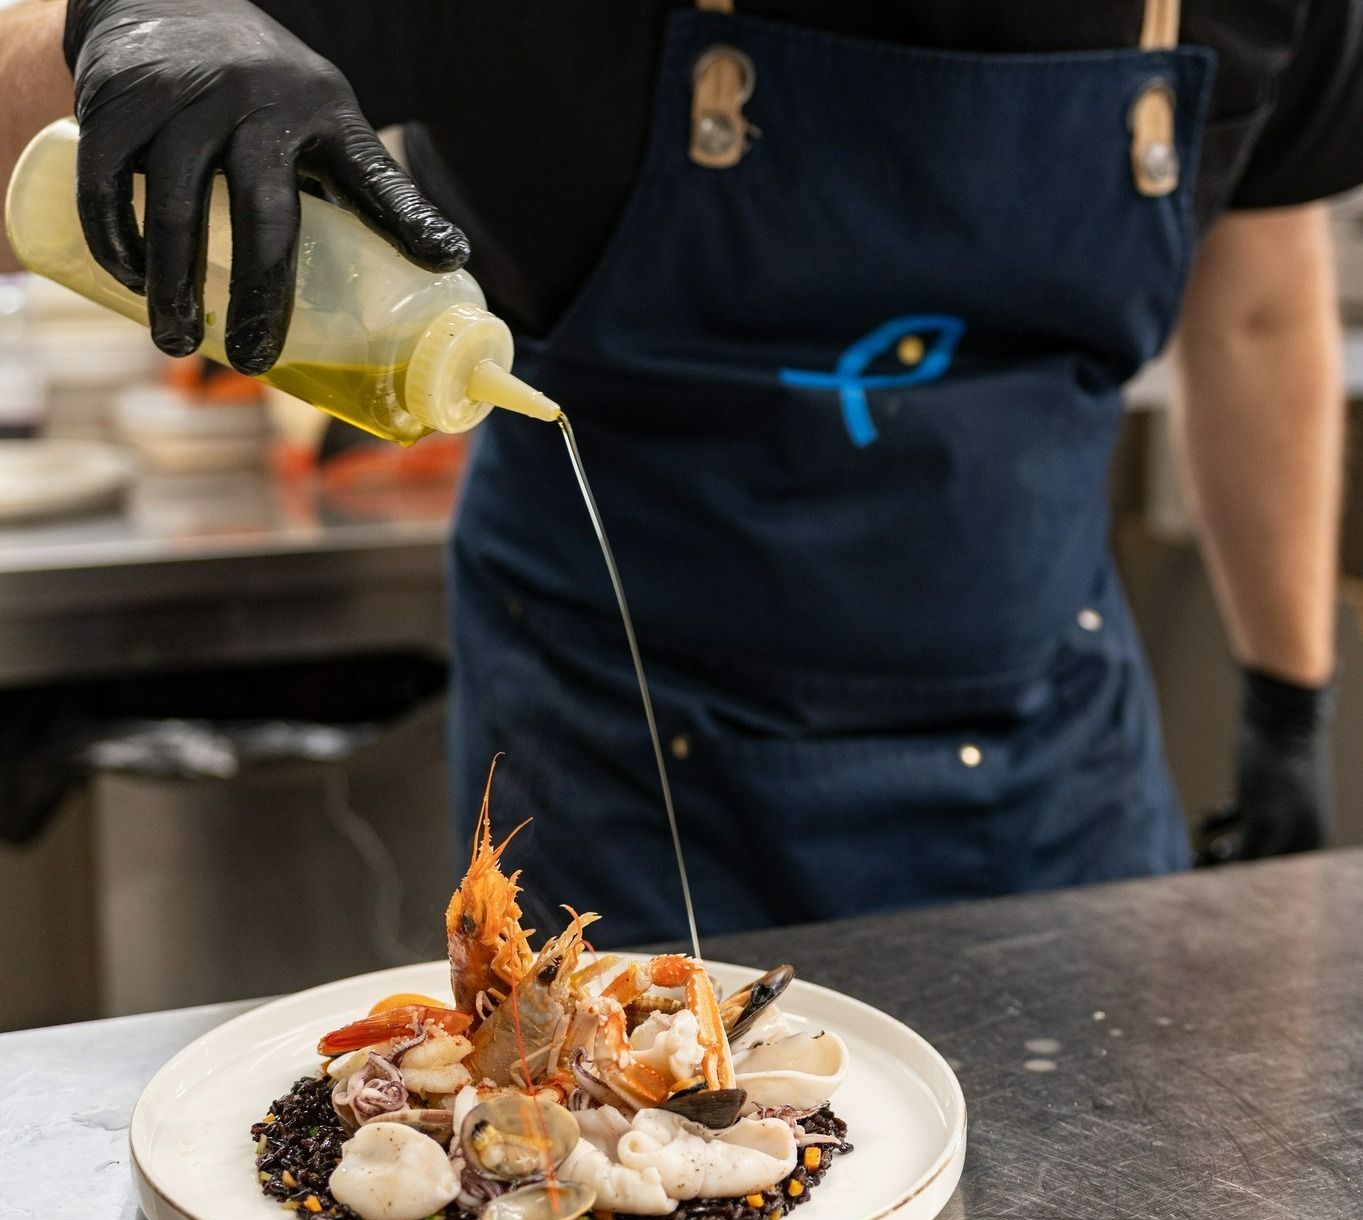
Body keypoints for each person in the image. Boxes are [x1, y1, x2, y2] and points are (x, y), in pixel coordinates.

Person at [2, 0, 1359, 944]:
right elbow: (26, 110)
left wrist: (1289, 709)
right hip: (623, 784)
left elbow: (1256, 305)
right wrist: (120, 17)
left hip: (1059, 779)